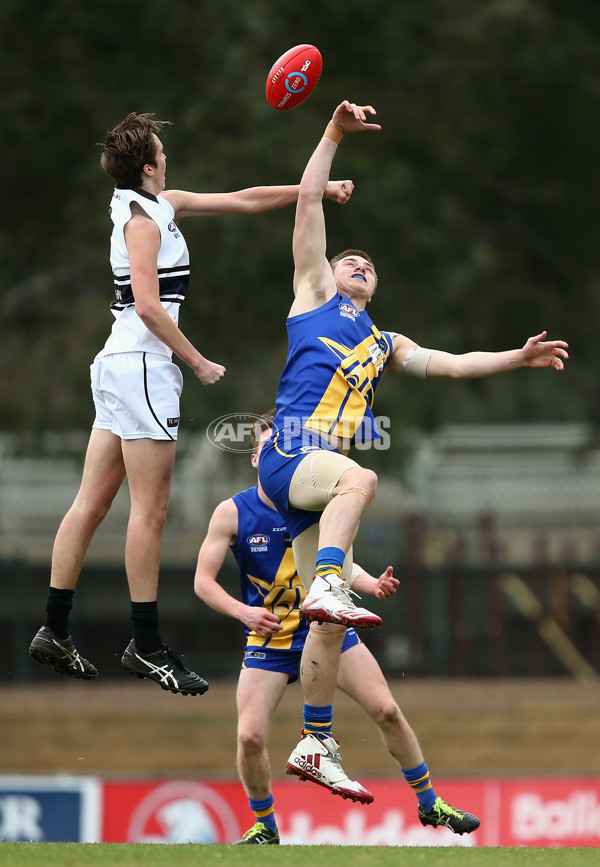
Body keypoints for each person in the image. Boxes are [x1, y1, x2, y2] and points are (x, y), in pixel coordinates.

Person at [256, 101, 569, 794]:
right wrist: (333, 133)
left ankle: (314, 738)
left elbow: (454, 363)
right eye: (350, 259)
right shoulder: (310, 296)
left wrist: (516, 359)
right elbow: (309, 203)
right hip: (293, 459)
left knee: (326, 626)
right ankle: (334, 581)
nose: (359, 263)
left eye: (368, 264)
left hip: (311, 480)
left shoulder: (384, 343)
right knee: (360, 479)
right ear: (328, 274)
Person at [28, 111, 353, 695]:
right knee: (149, 512)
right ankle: (147, 644)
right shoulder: (142, 222)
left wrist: (317, 189)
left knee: (93, 503)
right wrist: (197, 361)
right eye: (161, 149)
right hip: (144, 370)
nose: (167, 154)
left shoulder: (160, 204)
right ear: (149, 166)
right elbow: (150, 307)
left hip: (119, 366)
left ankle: (54, 627)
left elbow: (247, 199)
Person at [194, 416, 480, 842]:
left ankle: (430, 802)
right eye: (270, 447)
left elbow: (338, 561)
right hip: (270, 639)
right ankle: (264, 826)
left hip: (328, 630)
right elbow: (202, 581)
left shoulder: (319, 501)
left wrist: (370, 584)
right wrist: (243, 613)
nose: (282, 454)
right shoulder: (231, 512)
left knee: (386, 710)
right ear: (256, 458)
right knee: (250, 736)